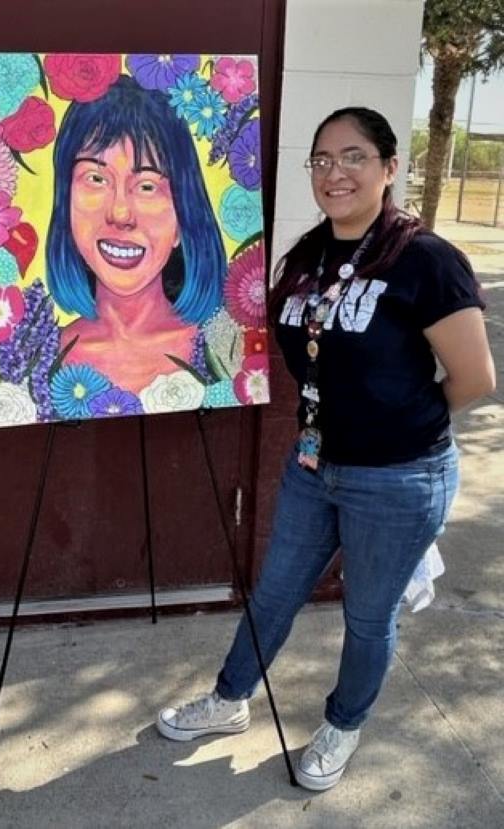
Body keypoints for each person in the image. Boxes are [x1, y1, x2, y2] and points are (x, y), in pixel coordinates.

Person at [156, 107, 496, 790]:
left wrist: (398, 429)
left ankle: (342, 724)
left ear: (389, 167)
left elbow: (474, 378)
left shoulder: (426, 262)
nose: (334, 172)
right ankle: (229, 699)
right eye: (321, 159)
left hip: (400, 478)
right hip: (314, 465)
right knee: (276, 590)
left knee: (367, 615)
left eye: (353, 157)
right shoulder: (308, 255)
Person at [46, 75, 226, 393]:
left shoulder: (224, 354)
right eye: (96, 179)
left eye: (146, 186)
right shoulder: (35, 359)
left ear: (184, 216)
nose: (120, 214)